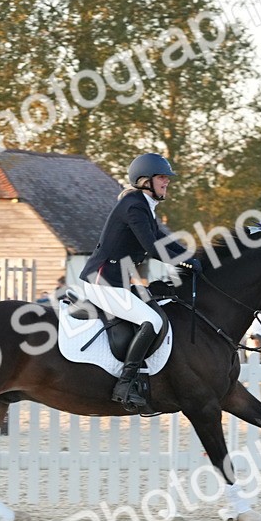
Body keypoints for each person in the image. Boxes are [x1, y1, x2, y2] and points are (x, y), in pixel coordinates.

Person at [79, 153, 193, 411]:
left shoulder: (143, 205)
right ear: (145, 180)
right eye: (162, 177)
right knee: (151, 321)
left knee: (158, 309)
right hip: (101, 281)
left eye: (167, 178)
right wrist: (185, 264)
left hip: (117, 281)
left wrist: (193, 257)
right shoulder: (133, 205)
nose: (167, 182)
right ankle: (125, 384)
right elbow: (153, 247)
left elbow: (164, 239)